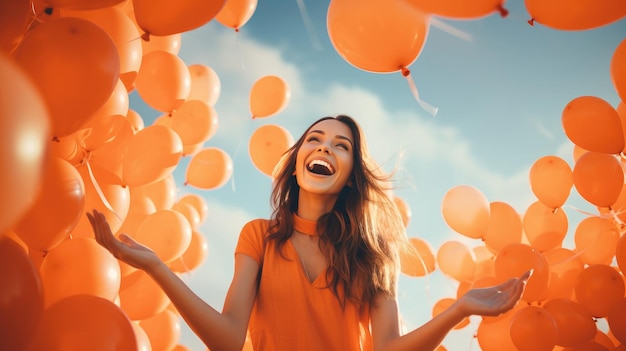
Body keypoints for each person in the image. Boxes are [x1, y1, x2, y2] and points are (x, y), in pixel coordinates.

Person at [88, 114, 530, 351]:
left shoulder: (374, 255)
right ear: (299, 161)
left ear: (351, 176)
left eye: (342, 145)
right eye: (315, 139)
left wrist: (461, 310)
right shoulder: (257, 237)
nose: (324, 147)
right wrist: (156, 266)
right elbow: (227, 340)